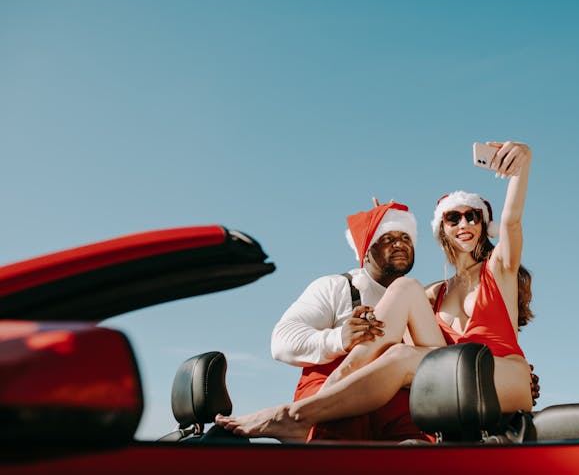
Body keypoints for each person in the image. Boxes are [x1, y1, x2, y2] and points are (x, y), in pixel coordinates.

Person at [216, 141, 535, 440]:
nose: (464, 223)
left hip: (500, 371)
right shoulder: (431, 293)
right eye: (454, 218)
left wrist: (521, 165)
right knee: (403, 308)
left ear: (483, 224)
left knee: (404, 341)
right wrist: (351, 335)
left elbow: (513, 222)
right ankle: (318, 404)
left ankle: (295, 416)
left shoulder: (499, 268)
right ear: (442, 230)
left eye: (472, 216)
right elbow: (390, 345)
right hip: (451, 376)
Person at [269, 200, 431, 441]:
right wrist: (339, 338)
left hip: (393, 405)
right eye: (387, 238)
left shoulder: (419, 300)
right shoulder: (336, 287)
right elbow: (281, 341)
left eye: (406, 238)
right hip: (331, 396)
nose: (399, 243)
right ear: (365, 250)